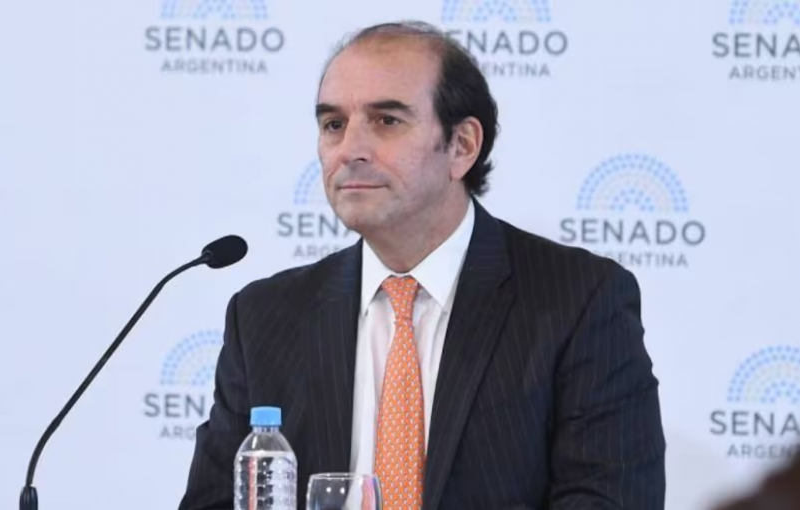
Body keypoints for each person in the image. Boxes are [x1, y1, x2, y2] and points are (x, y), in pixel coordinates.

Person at [179, 21, 665, 510]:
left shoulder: (578, 299)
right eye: (333, 125)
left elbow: (611, 499)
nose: (350, 150)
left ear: (462, 146)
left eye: (387, 121)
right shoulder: (264, 316)